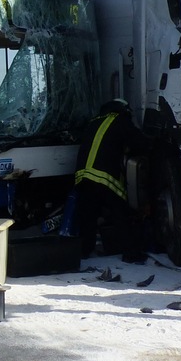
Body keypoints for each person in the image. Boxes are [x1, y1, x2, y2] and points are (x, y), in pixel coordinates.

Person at [73, 98, 149, 263]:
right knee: (120, 213)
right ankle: (131, 253)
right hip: (104, 177)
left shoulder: (93, 122)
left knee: (88, 216)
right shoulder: (120, 120)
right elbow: (140, 143)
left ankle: (85, 251)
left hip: (83, 176)